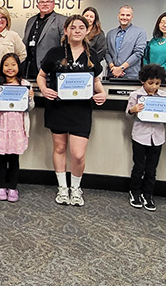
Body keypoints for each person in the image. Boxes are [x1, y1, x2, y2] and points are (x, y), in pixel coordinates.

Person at [37, 15, 107, 206]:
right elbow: (41, 76)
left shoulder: (92, 54)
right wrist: (44, 89)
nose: (77, 31)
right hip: (57, 107)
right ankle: (62, 188)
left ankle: (76, 188)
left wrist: (102, 93)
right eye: (73, 27)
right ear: (66, 31)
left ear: (87, 30)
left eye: (81, 27)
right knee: (59, 148)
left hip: (81, 109)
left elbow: (96, 80)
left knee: (78, 154)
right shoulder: (55, 52)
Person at [125, 64, 166, 211]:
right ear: (143, 81)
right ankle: (135, 192)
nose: (153, 87)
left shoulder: (164, 96)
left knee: (151, 169)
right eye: (150, 83)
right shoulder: (135, 95)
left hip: (157, 137)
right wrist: (133, 110)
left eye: (157, 83)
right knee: (139, 167)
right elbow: (127, 115)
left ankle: (148, 194)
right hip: (140, 136)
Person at [0, 53, 35, 202]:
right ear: (1, 67)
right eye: (6, 65)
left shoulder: (25, 84)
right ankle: (1, 186)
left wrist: (30, 98)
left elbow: (30, 108)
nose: (10, 68)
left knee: (14, 158)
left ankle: (13, 187)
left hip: (18, 127)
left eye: (13, 64)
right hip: (2, 126)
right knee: (1, 158)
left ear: (18, 66)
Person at [22, 0, 65, 79]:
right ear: (38, 5)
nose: (45, 4)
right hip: (29, 69)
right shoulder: (31, 21)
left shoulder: (62, 20)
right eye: (42, 2)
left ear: (53, 4)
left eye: (48, 2)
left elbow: (64, 45)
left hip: (49, 69)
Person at [105, 5, 147, 79]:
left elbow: (138, 53)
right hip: (112, 74)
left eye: (128, 15)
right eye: (122, 14)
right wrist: (112, 67)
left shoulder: (140, 32)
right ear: (118, 16)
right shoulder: (110, 33)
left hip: (131, 76)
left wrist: (121, 68)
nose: (124, 17)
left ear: (132, 17)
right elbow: (107, 52)